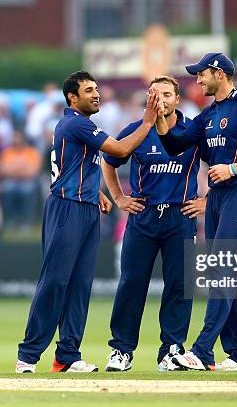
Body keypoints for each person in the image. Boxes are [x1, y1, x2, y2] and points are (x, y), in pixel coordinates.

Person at [15, 71, 160, 373]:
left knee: (80, 285)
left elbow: (75, 167)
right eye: (89, 90)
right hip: (66, 209)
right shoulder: (75, 123)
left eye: (97, 89)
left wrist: (98, 192)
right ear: (72, 97)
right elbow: (120, 150)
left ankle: (68, 354)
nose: (96, 95)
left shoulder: (83, 125)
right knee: (55, 282)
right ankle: (28, 355)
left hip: (87, 208)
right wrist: (147, 122)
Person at [154, 53, 237, 371]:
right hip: (217, 199)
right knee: (224, 273)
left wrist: (233, 169)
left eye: (201, 74)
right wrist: (156, 117)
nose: (197, 80)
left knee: (222, 270)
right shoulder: (209, 114)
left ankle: (202, 351)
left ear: (219, 74)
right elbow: (175, 145)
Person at [101, 76, 206, 372]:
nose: (160, 99)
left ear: (177, 100)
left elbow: (220, 163)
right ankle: (121, 350)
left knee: (179, 286)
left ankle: (171, 351)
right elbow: (109, 161)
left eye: (167, 94)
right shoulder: (136, 130)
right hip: (143, 216)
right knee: (131, 284)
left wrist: (206, 202)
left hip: (180, 216)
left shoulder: (192, 132)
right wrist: (119, 198)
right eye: (154, 94)